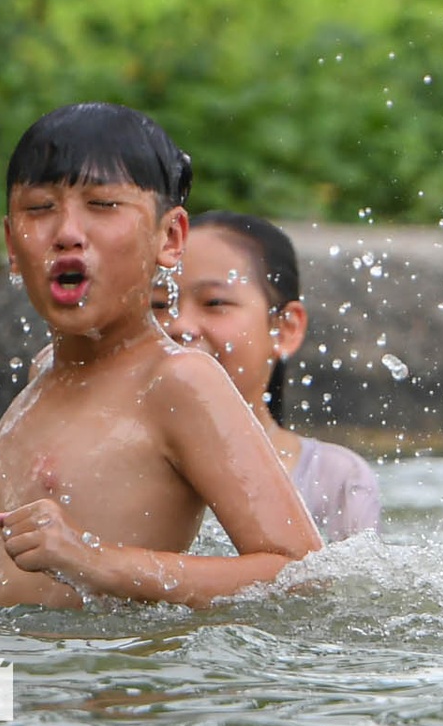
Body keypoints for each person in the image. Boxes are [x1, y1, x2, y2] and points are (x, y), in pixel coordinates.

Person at [0, 103, 322, 607]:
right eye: (39, 208)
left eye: (103, 205)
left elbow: (302, 575)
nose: (67, 232)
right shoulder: (44, 372)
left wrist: (95, 561)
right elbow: (21, 600)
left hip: (107, 685)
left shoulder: (177, 380)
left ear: (171, 237)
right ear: (10, 241)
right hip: (14, 680)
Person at [163, 212, 381, 541]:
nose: (179, 326)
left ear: (284, 329)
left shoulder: (335, 480)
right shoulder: (119, 464)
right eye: (159, 304)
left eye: (214, 302)